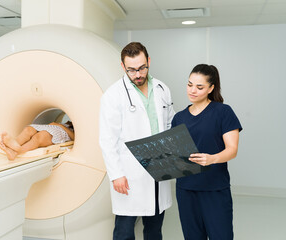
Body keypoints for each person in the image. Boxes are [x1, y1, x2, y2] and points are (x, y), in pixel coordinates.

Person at [99, 42, 175, 240]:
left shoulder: (162, 89)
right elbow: (108, 139)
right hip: (130, 172)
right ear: (123, 67)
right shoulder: (113, 95)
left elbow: (170, 125)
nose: (138, 74)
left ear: (148, 62)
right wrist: (116, 174)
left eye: (142, 68)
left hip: (160, 166)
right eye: (131, 70)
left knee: (154, 229)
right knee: (124, 231)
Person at [171, 64, 242, 240]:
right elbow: (175, 155)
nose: (192, 90)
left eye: (199, 87)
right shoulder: (178, 118)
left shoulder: (223, 112)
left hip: (215, 189)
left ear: (211, 88)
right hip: (186, 190)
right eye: (189, 85)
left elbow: (232, 150)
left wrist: (212, 159)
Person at [0, 121, 74, 160]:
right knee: (28, 130)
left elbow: (73, 137)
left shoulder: (74, 128)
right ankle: (12, 148)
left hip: (61, 132)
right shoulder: (65, 122)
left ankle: (18, 150)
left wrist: (59, 125)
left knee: (39, 136)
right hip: (50, 127)